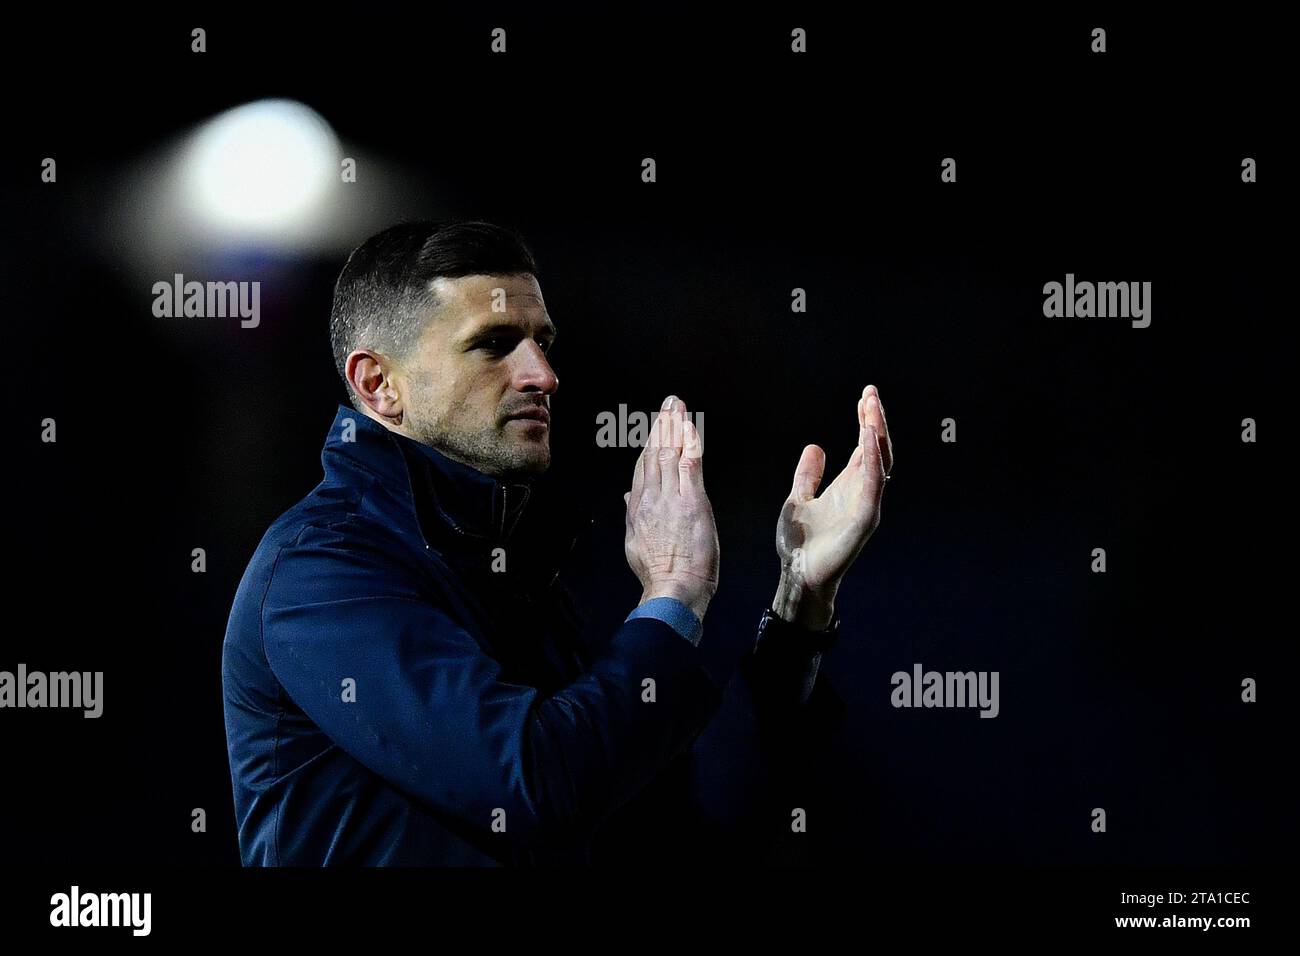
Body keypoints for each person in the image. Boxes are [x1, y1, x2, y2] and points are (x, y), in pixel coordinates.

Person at [221, 220, 894, 865]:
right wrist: (674, 592)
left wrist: (800, 606)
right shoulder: (320, 572)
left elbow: (688, 835)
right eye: (493, 343)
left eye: (543, 341)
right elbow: (533, 787)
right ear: (379, 385)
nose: (542, 373)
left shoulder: (513, 571)